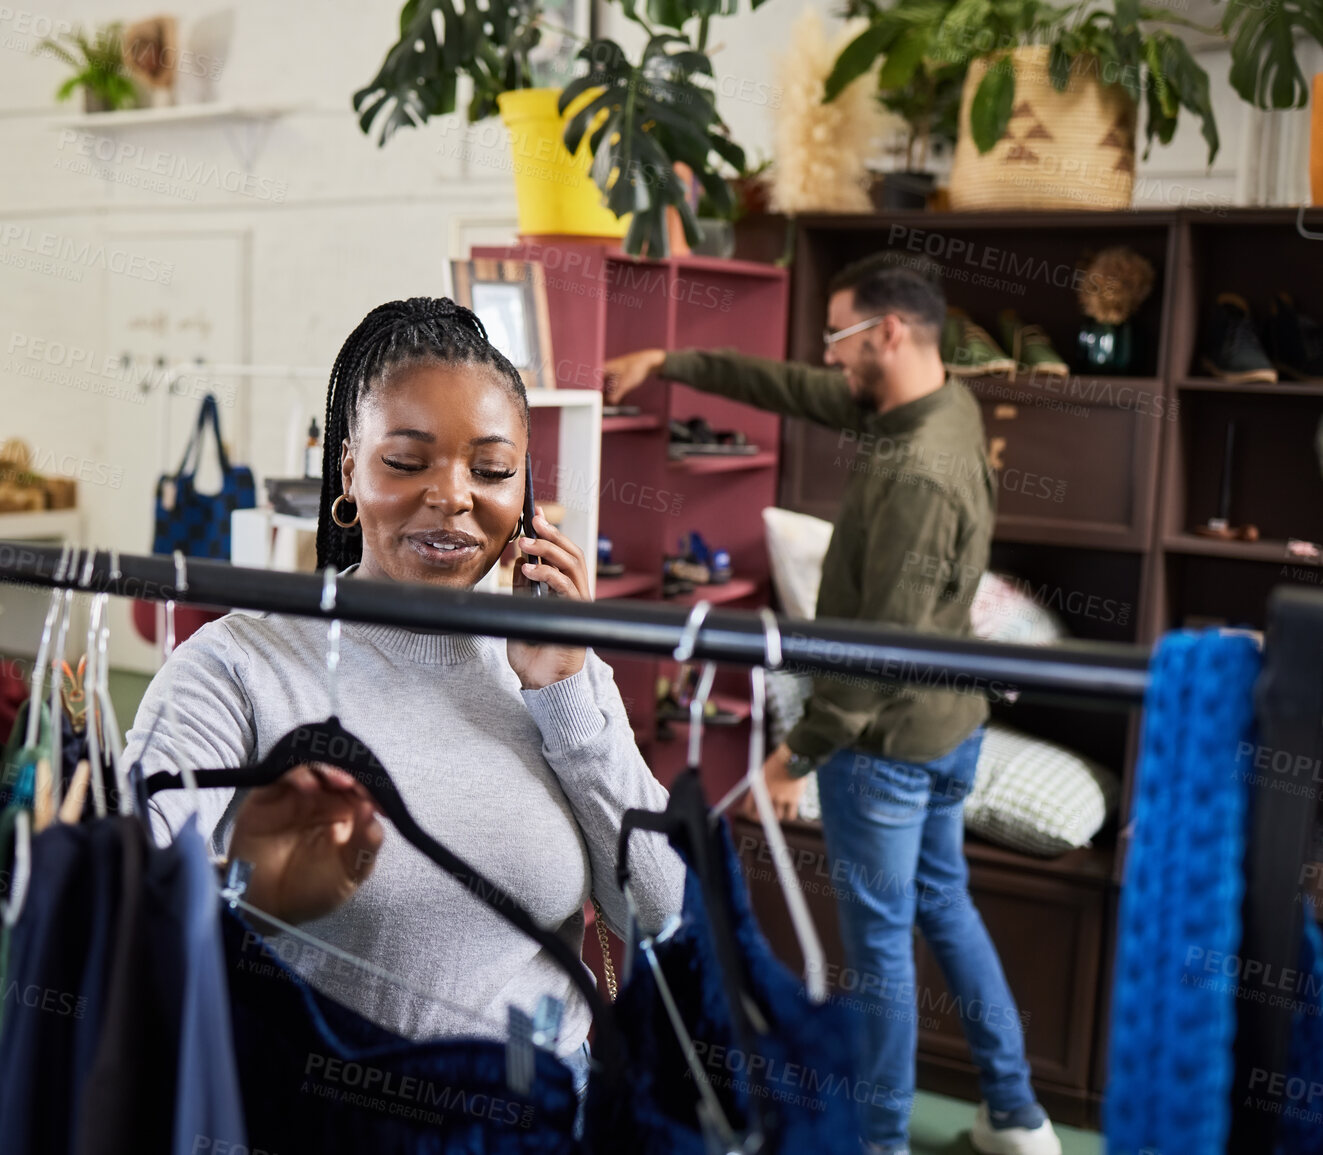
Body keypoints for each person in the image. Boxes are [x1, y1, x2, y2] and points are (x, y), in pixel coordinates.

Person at [121, 297, 685, 1098]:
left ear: (525, 491)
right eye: (407, 461)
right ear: (348, 471)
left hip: (534, 1125)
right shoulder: (238, 664)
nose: (452, 495)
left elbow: (667, 921)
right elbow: (118, 893)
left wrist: (564, 696)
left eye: (490, 470)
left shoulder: (560, 668)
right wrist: (245, 882)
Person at [605, 255, 1060, 1155]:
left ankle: (876, 1141)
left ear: (888, 332)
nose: (828, 356)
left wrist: (793, 756)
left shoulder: (918, 471)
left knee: (881, 952)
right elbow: (794, 387)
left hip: (886, 744)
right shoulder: (935, 402)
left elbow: (875, 652)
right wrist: (669, 361)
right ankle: (1016, 1114)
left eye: (839, 337)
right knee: (945, 907)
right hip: (947, 728)